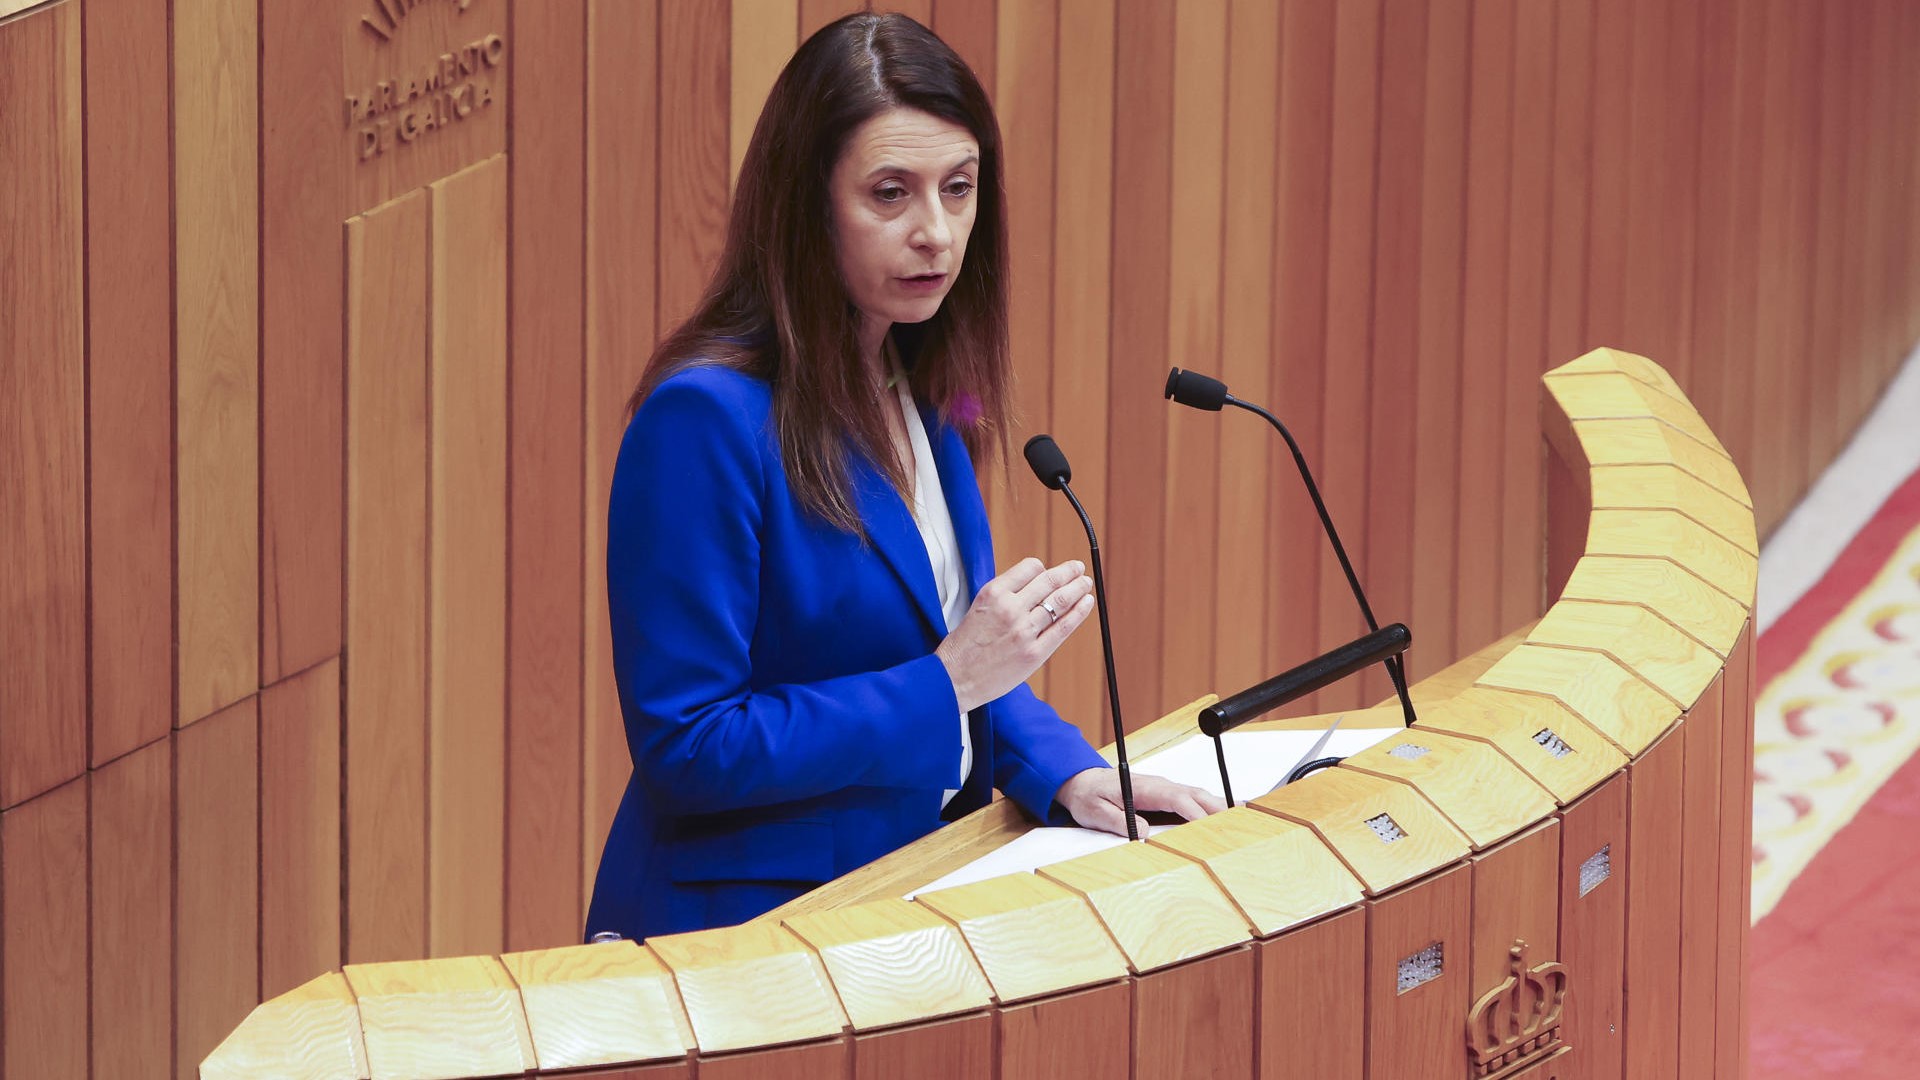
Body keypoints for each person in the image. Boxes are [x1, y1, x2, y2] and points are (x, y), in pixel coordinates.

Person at [585, 12, 1224, 943]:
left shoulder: (923, 384)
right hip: (744, 932)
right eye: (891, 194)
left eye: (958, 189)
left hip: (909, 894)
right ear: (807, 208)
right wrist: (946, 681)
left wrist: (1067, 772)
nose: (936, 233)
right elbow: (691, 744)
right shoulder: (706, 420)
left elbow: (964, 662)